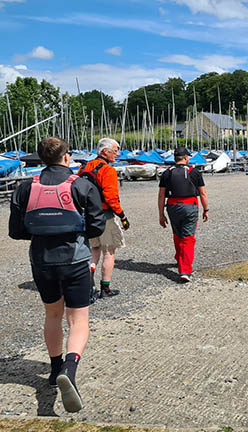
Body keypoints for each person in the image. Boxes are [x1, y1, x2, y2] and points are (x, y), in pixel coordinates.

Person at [9, 137, 106, 413]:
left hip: (42, 261)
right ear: (66, 157)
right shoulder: (82, 185)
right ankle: (70, 371)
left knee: (52, 314)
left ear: (41, 159)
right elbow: (97, 227)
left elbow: (16, 231)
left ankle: (54, 371)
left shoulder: (26, 188)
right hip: (75, 260)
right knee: (78, 319)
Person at [78, 138, 129, 301]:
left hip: (88, 216)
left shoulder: (83, 167)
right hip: (105, 216)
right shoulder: (107, 170)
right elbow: (111, 198)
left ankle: (88, 283)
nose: (118, 153)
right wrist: (123, 216)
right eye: (115, 150)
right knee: (109, 251)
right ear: (104, 151)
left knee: (94, 249)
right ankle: (105, 288)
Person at [158, 146, 209, 282]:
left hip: (173, 206)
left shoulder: (167, 173)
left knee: (177, 234)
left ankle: (179, 258)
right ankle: (185, 270)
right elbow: (202, 193)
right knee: (188, 237)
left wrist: (161, 214)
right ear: (186, 158)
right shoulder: (195, 172)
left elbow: (161, 195)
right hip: (189, 206)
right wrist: (206, 209)